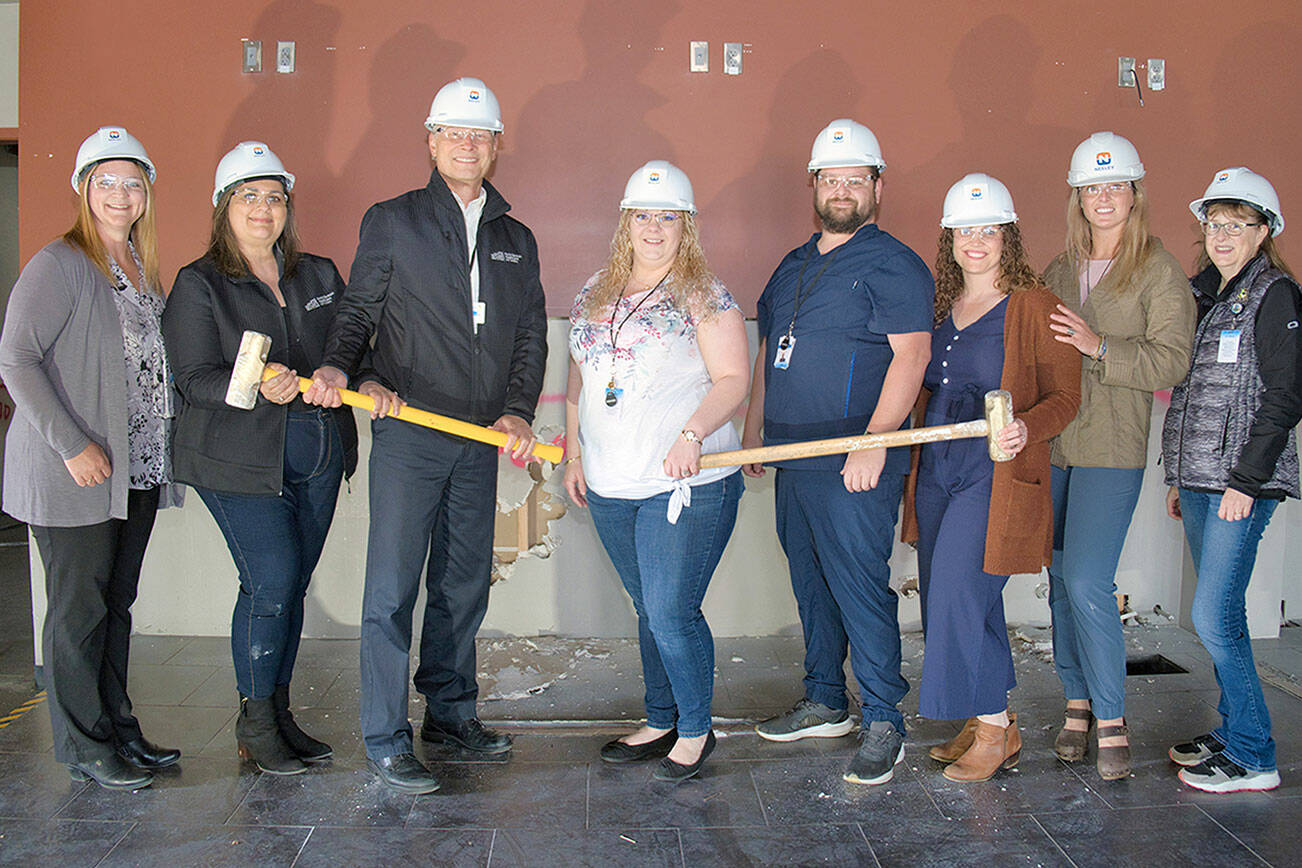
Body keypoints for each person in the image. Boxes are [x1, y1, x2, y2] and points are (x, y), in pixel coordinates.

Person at [306, 77, 547, 794]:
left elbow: (529, 334)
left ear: (496, 146)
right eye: (454, 133)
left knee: (465, 582)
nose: (468, 144)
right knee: (392, 589)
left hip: (479, 438)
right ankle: (385, 736)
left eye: (480, 135)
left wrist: (519, 410)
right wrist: (339, 367)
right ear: (431, 141)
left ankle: (449, 712)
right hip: (411, 431)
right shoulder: (395, 220)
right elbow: (358, 310)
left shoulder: (516, 238)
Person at [741, 119, 933, 786]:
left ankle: (884, 718)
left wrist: (875, 443)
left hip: (856, 456)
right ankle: (826, 699)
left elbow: (912, 357)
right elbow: (771, 352)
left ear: (877, 186)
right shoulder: (792, 264)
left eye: (857, 178)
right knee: (811, 580)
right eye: (832, 178)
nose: (843, 189)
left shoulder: (896, 265)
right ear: (815, 185)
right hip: (793, 456)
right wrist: (751, 434)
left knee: (856, 583)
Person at [162, 142, 358, 775]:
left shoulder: (319, 274)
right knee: (270, 583)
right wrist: (252, 381)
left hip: (318, 453)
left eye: (274, 197)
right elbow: (192, 377)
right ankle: (253, 722)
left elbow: (355, 345)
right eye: (248, 195)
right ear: (223, 207)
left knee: (292, 586)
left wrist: (346, 370)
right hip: (239, 460)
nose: (263, 208)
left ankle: (278, 713)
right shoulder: (200, 283)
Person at [0, 126, 181, 789]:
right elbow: (14, 358)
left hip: (133, 469)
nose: (120, 193)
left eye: (132, 182)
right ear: (83, 188)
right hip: (71, 471)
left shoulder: (136, 264)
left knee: (116, 604)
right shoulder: (59, 263)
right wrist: (72, 443)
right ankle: (83, 744)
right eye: (105, 180)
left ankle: (118, 730)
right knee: (79, 612)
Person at [563, 161, 748, 783]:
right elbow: (578, 381)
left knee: (671, 610)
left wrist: (692, 433)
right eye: (643, 214)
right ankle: (661, 716)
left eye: (667, 216)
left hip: (683, 486)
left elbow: (734, 379)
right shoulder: (595, 289)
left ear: (686, 227)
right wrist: (574, 452)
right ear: (625, 222)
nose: (653, 227)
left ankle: (696, 729)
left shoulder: (705, 293)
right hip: (612, 486)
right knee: (649, 609)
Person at [901, 174, 1080, 782]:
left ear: (1008, 236)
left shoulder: (1036, 304)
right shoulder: (938, 308)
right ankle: (988, 723)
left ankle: (995, 727)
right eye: (965, 229)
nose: (976, 240)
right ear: (949, 237)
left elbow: (1066, 397)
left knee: (957, 593)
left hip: (995, 472)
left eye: (989, 229)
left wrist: (1027, 427)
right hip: (938, 469)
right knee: (954, 597)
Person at [1041, 132, 1196, 780]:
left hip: (1112, 446)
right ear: (1078, 196)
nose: (1103, 197)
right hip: (1055, 444)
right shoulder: (1059, 267)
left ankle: (1111, 714)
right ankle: (1074, 700)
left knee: (1086, 580)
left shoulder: (1157, 268)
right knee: (1055, 580)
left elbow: (1174, 359)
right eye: (1092, 187)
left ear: (1134, 193)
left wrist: (1101, 346)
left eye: (1115, 185)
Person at [1162, 167, 1300, 793]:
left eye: (1237, 224)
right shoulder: (1205, 294)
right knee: (1223, 615)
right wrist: (1178, 475)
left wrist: (1247, 480)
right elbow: (1190, 393)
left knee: (1214, 617)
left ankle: (1254, 754)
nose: (1221, 235)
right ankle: (1231, 728)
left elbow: (1286, 396)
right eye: (1213, 223)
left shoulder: (1275, 296)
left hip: (1239, 486)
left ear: (1264, 231)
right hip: (1198, 480)